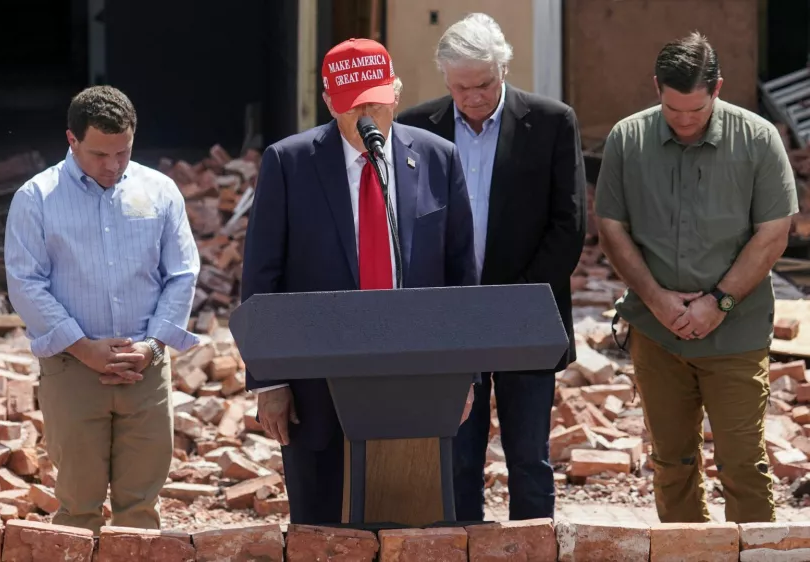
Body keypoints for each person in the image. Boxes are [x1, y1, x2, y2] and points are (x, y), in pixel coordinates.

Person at [242, 37, 477, 525]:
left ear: (396, 91)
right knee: (321, 523)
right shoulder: (289, 163)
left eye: (376, 103)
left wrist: (466, 373)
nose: (366, 118)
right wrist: (270, 379)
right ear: (329, 103)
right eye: (353, 108)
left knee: (414, 520)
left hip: (416, 376)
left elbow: (461, 274)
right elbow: (262, 277)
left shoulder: (438, 158)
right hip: (316, 380)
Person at [595, 32, 797, 523]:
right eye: (672, 110)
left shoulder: (758, 139)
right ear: (656, 88)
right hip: (656, 333)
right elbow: (610, 226)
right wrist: (658, 300)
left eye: (697, 111)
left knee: (744, 464)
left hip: (735, 333)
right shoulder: (628, 138)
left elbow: (774, 232)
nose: (684, 122)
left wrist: (718, 303)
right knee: (671, 463)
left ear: (718, 89)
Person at [397, 13, 586, 522]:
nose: (473, 97)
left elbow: (568, 227)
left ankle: (532, 545)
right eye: (460, 87)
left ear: (503, 70)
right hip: (449, 320)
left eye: (483, 84)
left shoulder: (550, 122)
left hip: (526, 314)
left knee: (529, 458)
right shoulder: (416, 127)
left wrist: (513, 301)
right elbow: (406, 227)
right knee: (456, 457)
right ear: (445, 79)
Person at [4, 85, 200, 534]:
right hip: (72, 371)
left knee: (141, 511)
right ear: (71, 140)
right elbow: (25, 284)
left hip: (145, 370)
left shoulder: (161, 192)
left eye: (123, 152)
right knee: (78, 509)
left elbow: (182, 274)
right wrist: (82, 347)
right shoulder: (36, 199)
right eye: (99, 154)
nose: (113, 166)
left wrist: (152, 346)